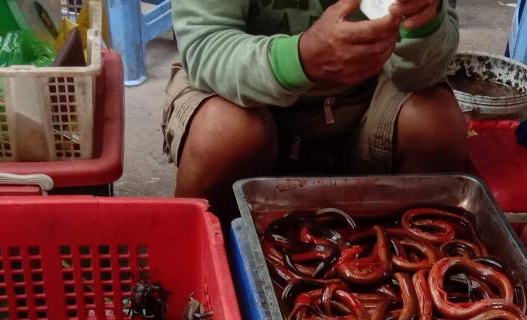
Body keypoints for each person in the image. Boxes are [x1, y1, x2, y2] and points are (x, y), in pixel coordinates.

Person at [162, 0, 466, 216]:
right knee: (223, 134)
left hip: (364, 100)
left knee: (434, 122)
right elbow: (206, 45)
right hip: (247, 99)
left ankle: (396, 263)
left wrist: (420, 22)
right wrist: (300, 59)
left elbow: (422, 71)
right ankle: (207, 272)